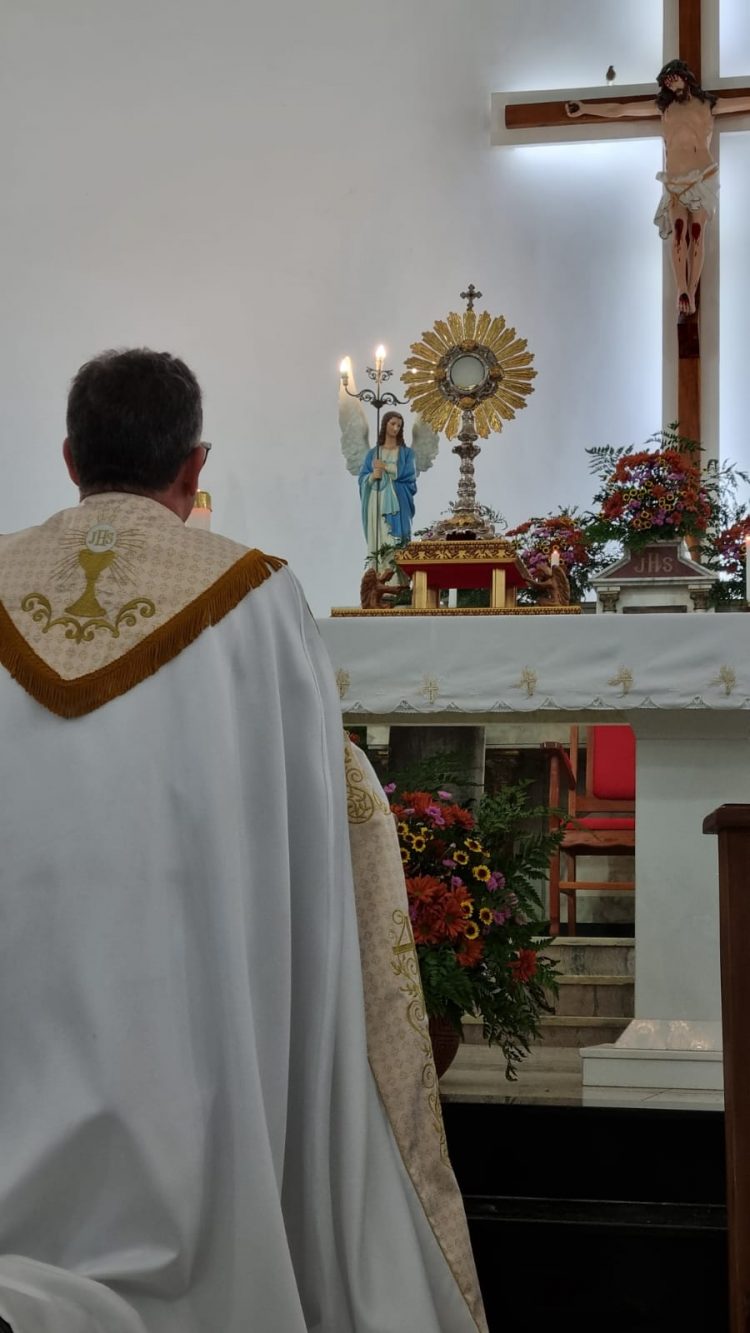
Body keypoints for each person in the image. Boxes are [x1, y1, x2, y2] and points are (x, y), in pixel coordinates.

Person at [0, 349, 487, 1333]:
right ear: (194, 468)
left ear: (67, 457)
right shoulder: (256, 599)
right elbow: (314, 811)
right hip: (189, 1020)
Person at [566, 60, 750, 316]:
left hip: (703, 178)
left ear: (686, 77)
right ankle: (681, 289)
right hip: (674, 182)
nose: (672, 84)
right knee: (679, 231)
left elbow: (747, 101)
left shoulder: (710, 104)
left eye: (674, 78)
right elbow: (620, 110)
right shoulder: (663, 108)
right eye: (667, 81)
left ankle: (692, 290)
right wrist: (586, 108)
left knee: (696, 232)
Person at [358, 411, 416, 570]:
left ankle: (397, 583)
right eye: (392, 424)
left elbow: (409, 476)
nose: (396, 428)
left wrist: (386, 467)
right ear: (385, 424)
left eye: (399, 425)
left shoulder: (406, 453)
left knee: (395, 542)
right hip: (377, 502)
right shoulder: (373, 453)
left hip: (398, 503)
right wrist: (371, 477)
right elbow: (362, 478)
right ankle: (378, 578)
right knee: (379, 538)